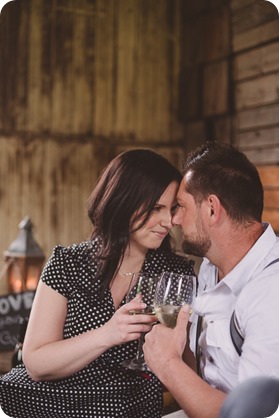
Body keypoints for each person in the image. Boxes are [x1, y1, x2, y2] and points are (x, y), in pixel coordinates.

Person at [0, 149, 195, 418]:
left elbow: (184, 365)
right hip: (44, 399)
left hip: (122, 405)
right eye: (155, 208)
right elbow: (35, 363)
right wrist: (108, 334)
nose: (168, 221)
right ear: (123, 202)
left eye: (171, 209)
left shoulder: (175, 274)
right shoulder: (67, 263)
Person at [143, 141, 279, 418]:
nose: (175, 220)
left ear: (212, 209)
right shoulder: (209, 267)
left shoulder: (270, 293)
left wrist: (167, 363)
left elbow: (252, 416)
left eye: (181, 206)